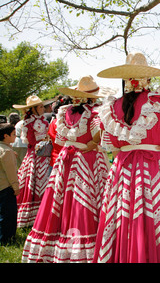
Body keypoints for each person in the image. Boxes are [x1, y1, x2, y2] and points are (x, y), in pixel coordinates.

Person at [92, 52, 160, 263]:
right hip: (156, 167)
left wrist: (128, 153)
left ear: (125, 81)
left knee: (124, 215)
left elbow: (113, 148)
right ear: (148, 79)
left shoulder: (112, 107)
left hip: (123, 169)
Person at [21, 76, 111, 263]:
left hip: (66, 158)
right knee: (85, 199)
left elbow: (59, 138)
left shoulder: (64, 112)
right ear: (92, 97)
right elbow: (102, 134)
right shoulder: (94, 113)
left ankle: (58, 242)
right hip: (87, 159)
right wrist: (93, 143)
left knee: (61, 199)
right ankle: (85, 245)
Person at [12, 95, 51, 228]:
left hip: (44, 155)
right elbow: (31, 142)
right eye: (40, 107)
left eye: (42, 106)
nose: (42, 108)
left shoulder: (42, 121)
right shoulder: (29, 123)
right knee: (33, 182)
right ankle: (31, 216)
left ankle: (42, 214)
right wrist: (43, 142)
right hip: (36, 156)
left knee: (43, 182)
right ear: (33, 109)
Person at [0, 123, 19, 245]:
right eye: (13, 134)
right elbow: (11, 172)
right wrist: (16, 187)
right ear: (6, 136)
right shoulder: (7, 151)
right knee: (8, 214)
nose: (15, 136)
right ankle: (6, 238)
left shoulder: (5, 149)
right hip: (6, 187)